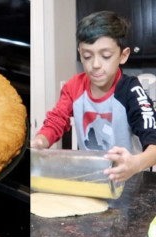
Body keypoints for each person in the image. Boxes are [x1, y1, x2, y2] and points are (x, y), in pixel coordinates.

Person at [31, 11, 156, 183]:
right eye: (87, 56)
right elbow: (56, 120)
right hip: (91, 179)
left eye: (105, 56)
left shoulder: (131, 91)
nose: (95, 65)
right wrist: (40, 141)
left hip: (127, 181)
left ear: (123, 55)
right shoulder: (74, 87)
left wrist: (135, 163)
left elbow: (154, 141)